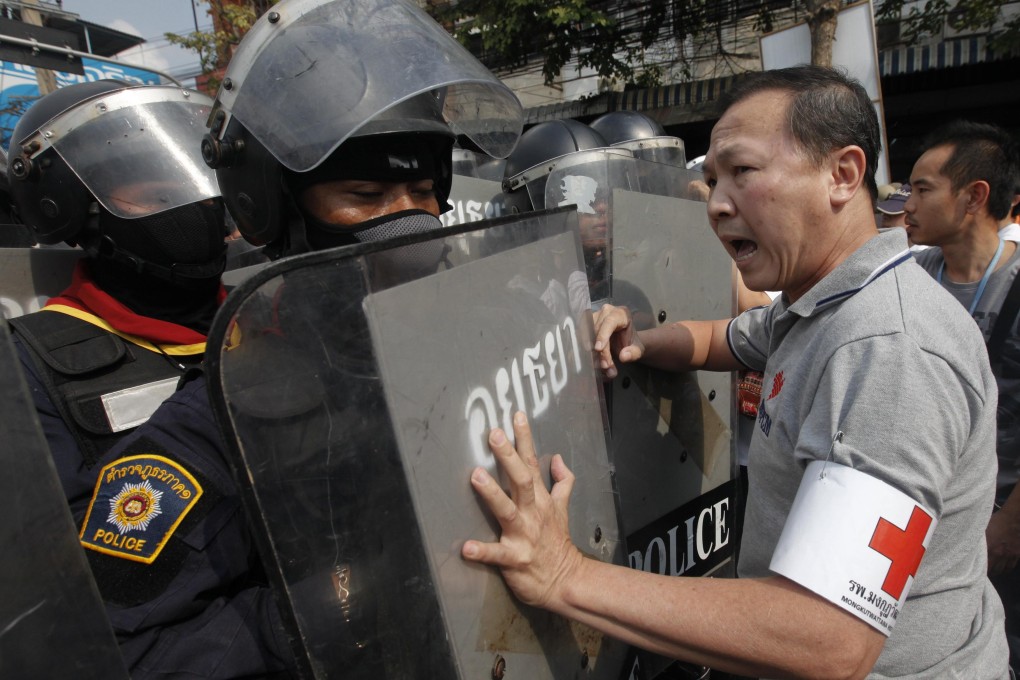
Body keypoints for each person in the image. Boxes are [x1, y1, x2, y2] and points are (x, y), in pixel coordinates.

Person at [462, 65, 1009, 677]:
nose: (717, 204)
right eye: (713, 178)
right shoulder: (821, 306)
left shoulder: (889, 350)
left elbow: (827, 639)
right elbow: (720, 340)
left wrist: (564, 574)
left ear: (843, 174)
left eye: (742, 172)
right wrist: (637, 337)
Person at [902, 119, 1020, 668]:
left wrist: (1008, 526)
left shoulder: (1015, 285)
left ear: (974, 197)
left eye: (923, 189)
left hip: (999, 517)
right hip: (925, 517)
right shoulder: (908, 274)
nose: (908, 203)